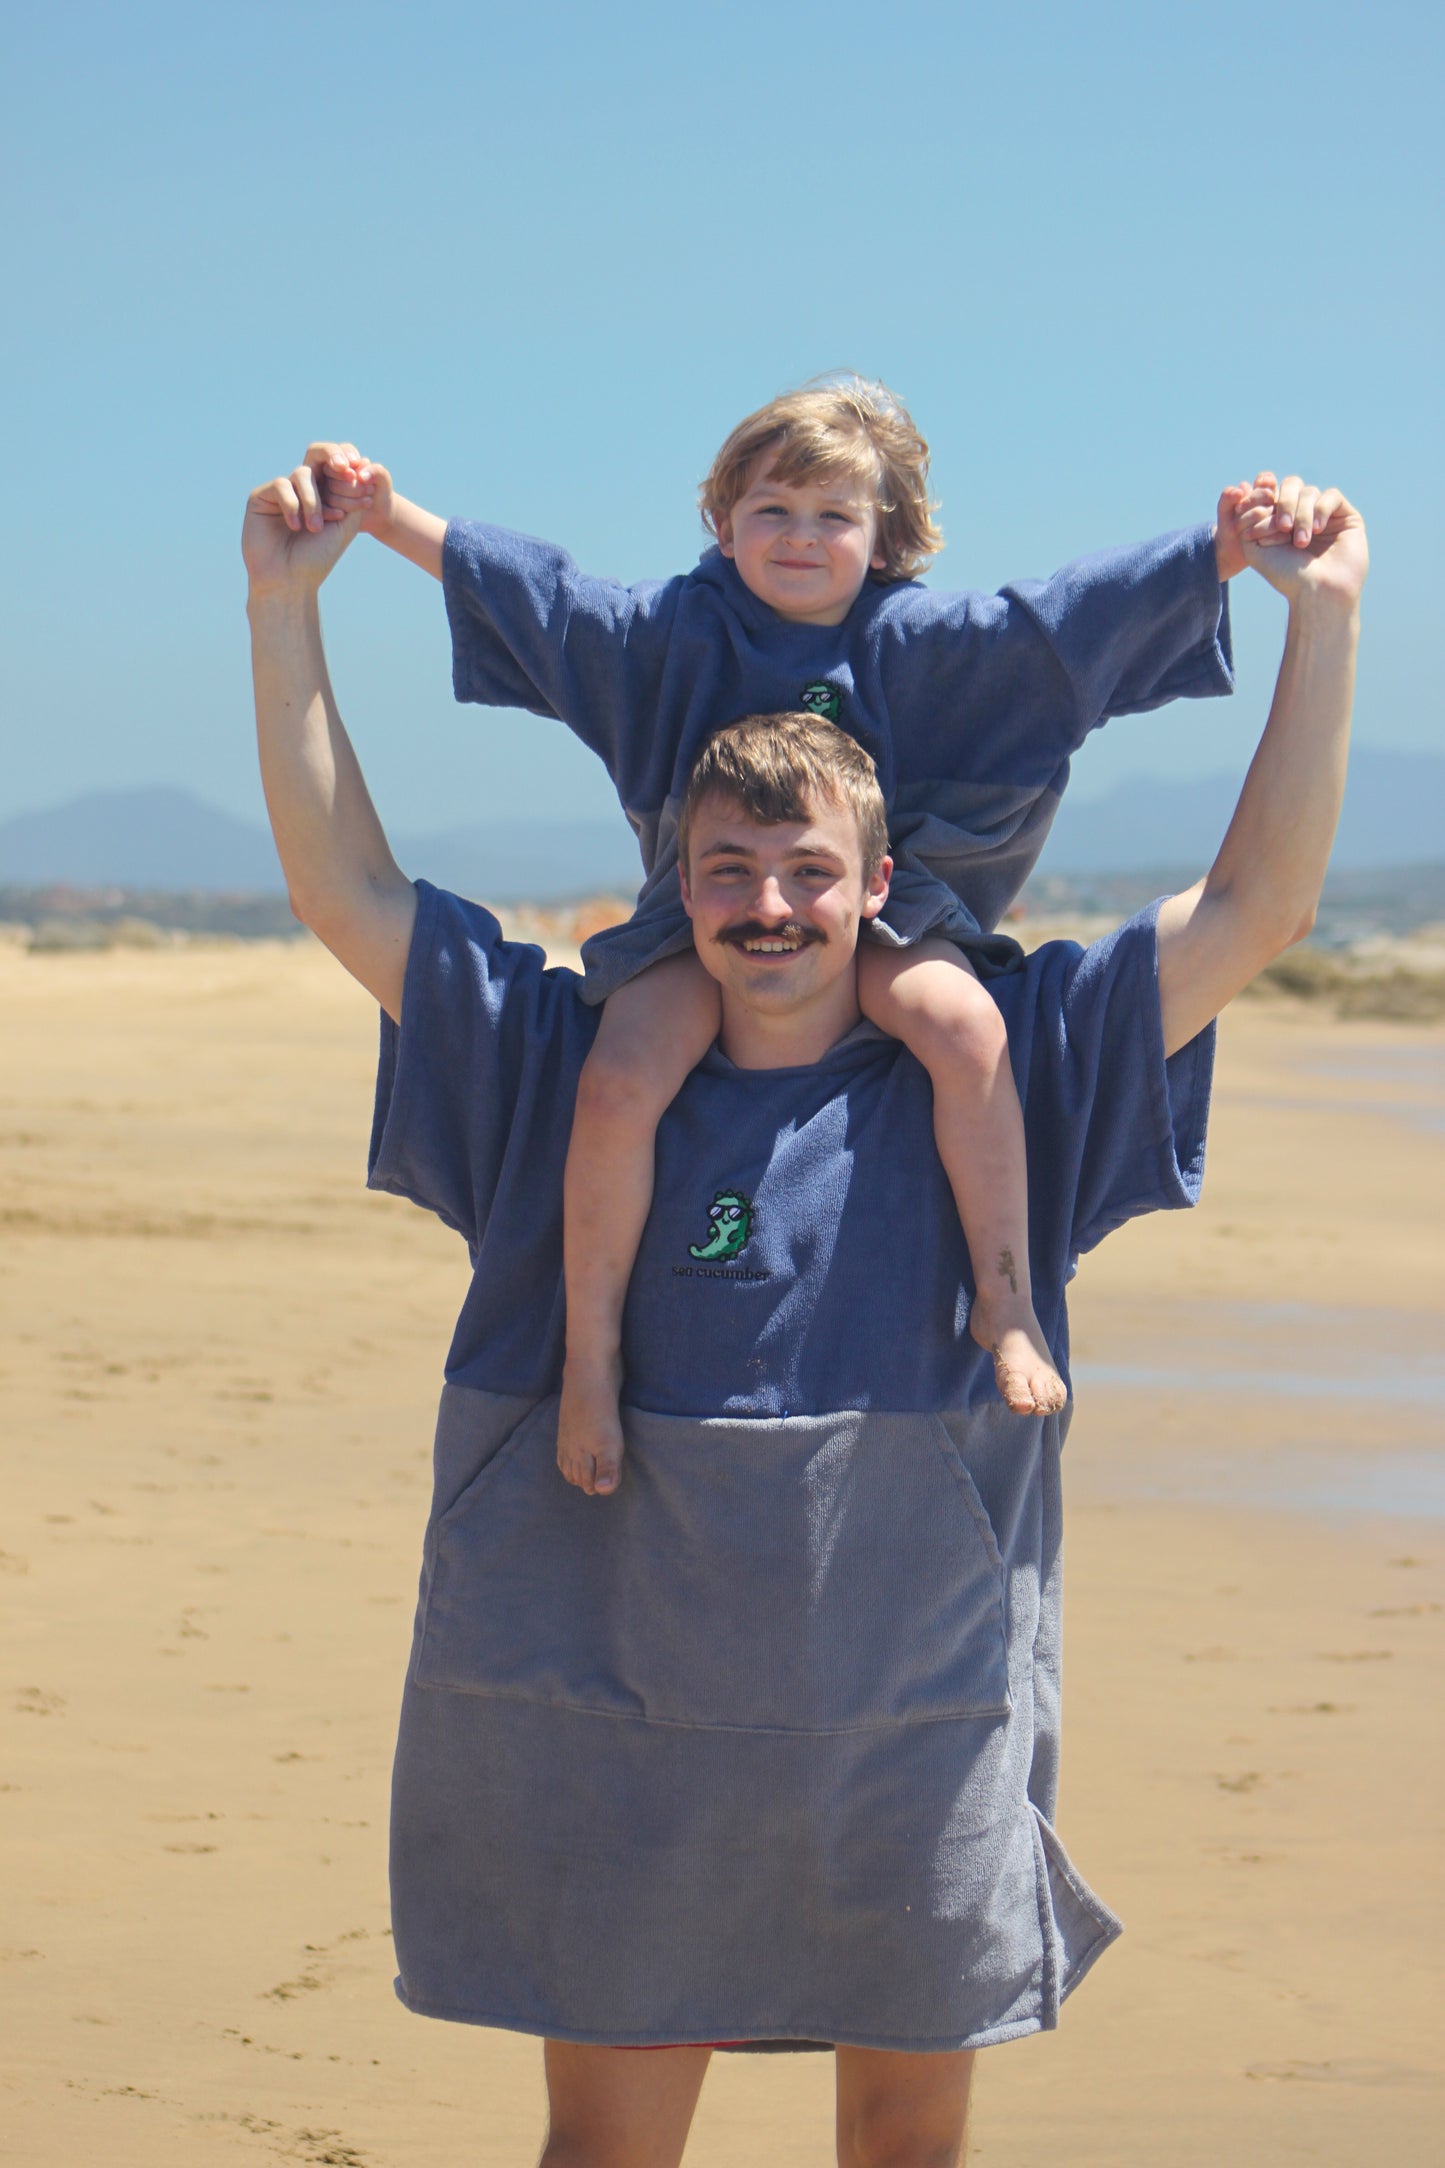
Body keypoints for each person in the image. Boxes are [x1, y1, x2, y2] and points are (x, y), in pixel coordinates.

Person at [243, 457, 1363, 2168]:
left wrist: (1325, 629)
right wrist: (285, 610)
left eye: (807, 870)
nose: (769, 904)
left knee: (903, 2149)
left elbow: (1256, 909)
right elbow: (351, 891)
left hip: (908, 1735)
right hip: (618, 1710)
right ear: (674, 880)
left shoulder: (1015, 1070)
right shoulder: (563, 1069)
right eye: (728, 867)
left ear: (879, 878)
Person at [264, 381, 1286, 1500]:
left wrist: (1218, 552)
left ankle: (1002, 1299)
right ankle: (591, 1352)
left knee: (962, 1025)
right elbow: (550, 602)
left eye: (832, 516)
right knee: (614, 1084)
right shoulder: (671, 636)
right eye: (772, 510)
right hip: (687, 927)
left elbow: (1066, 619)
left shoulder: (924, 642)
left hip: (899, 914)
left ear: (883, 532)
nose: (800, 538)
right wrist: (385, 514)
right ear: (721, 521)